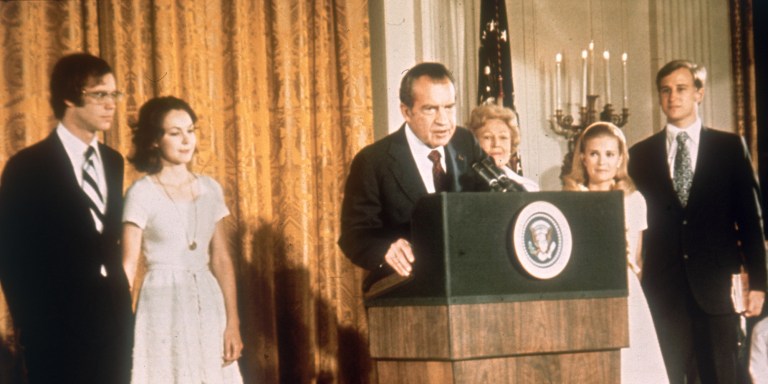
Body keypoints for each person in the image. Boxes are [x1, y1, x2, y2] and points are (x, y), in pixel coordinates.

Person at [628, 59, 766, 384]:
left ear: (699, 93)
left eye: (681, 89)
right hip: (663, 292)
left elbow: (751, 220)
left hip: (717, 291)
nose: (673, 97)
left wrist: (759, 283)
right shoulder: (640, 155)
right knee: (668, 376)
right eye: (665, 90)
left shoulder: (729, 148)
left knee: (722, 376)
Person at [0, 53, 133, 383]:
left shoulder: (114, 162)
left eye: (114, 95)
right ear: (69, 97)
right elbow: (11, 256)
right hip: (56, 330)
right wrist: (33, 326)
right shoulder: (28, 166)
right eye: (100, 94)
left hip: (113, 323)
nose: (111, 104)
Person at [122, 96, 243, 383]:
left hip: (207, 298)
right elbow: (127, 266)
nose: (186, 140)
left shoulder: (210, 189)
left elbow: (222, 259)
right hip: (161, 302)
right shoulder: (141, 192)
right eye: (175, 133)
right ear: (154, 140)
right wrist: (120, 325)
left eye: (190, 130)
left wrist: (233, 322)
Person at [338, 62, 489, 280]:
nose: (443, 120)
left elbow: (490, 202)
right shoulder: (372, 161)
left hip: (467, 280)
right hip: (404, 285)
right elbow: (354, 236)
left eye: (449, 107)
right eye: (430, 109)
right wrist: (386, 249)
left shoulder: (466, 142)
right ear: (406, 112)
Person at [563, 122, 669, 383]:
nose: (602, 162)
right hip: (583, 289)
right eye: (594, 154)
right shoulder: (573, 197)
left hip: (624, 287)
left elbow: (638, 258)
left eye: (610, 154)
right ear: (583, 157)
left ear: (621, 158)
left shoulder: (633, 199)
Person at [468, 103, 540, 191]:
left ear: (512, 142)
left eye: (503, 137)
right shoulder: (461, 185)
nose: (496, 144)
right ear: (474, 142)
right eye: (487, 137)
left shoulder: (529, 188)